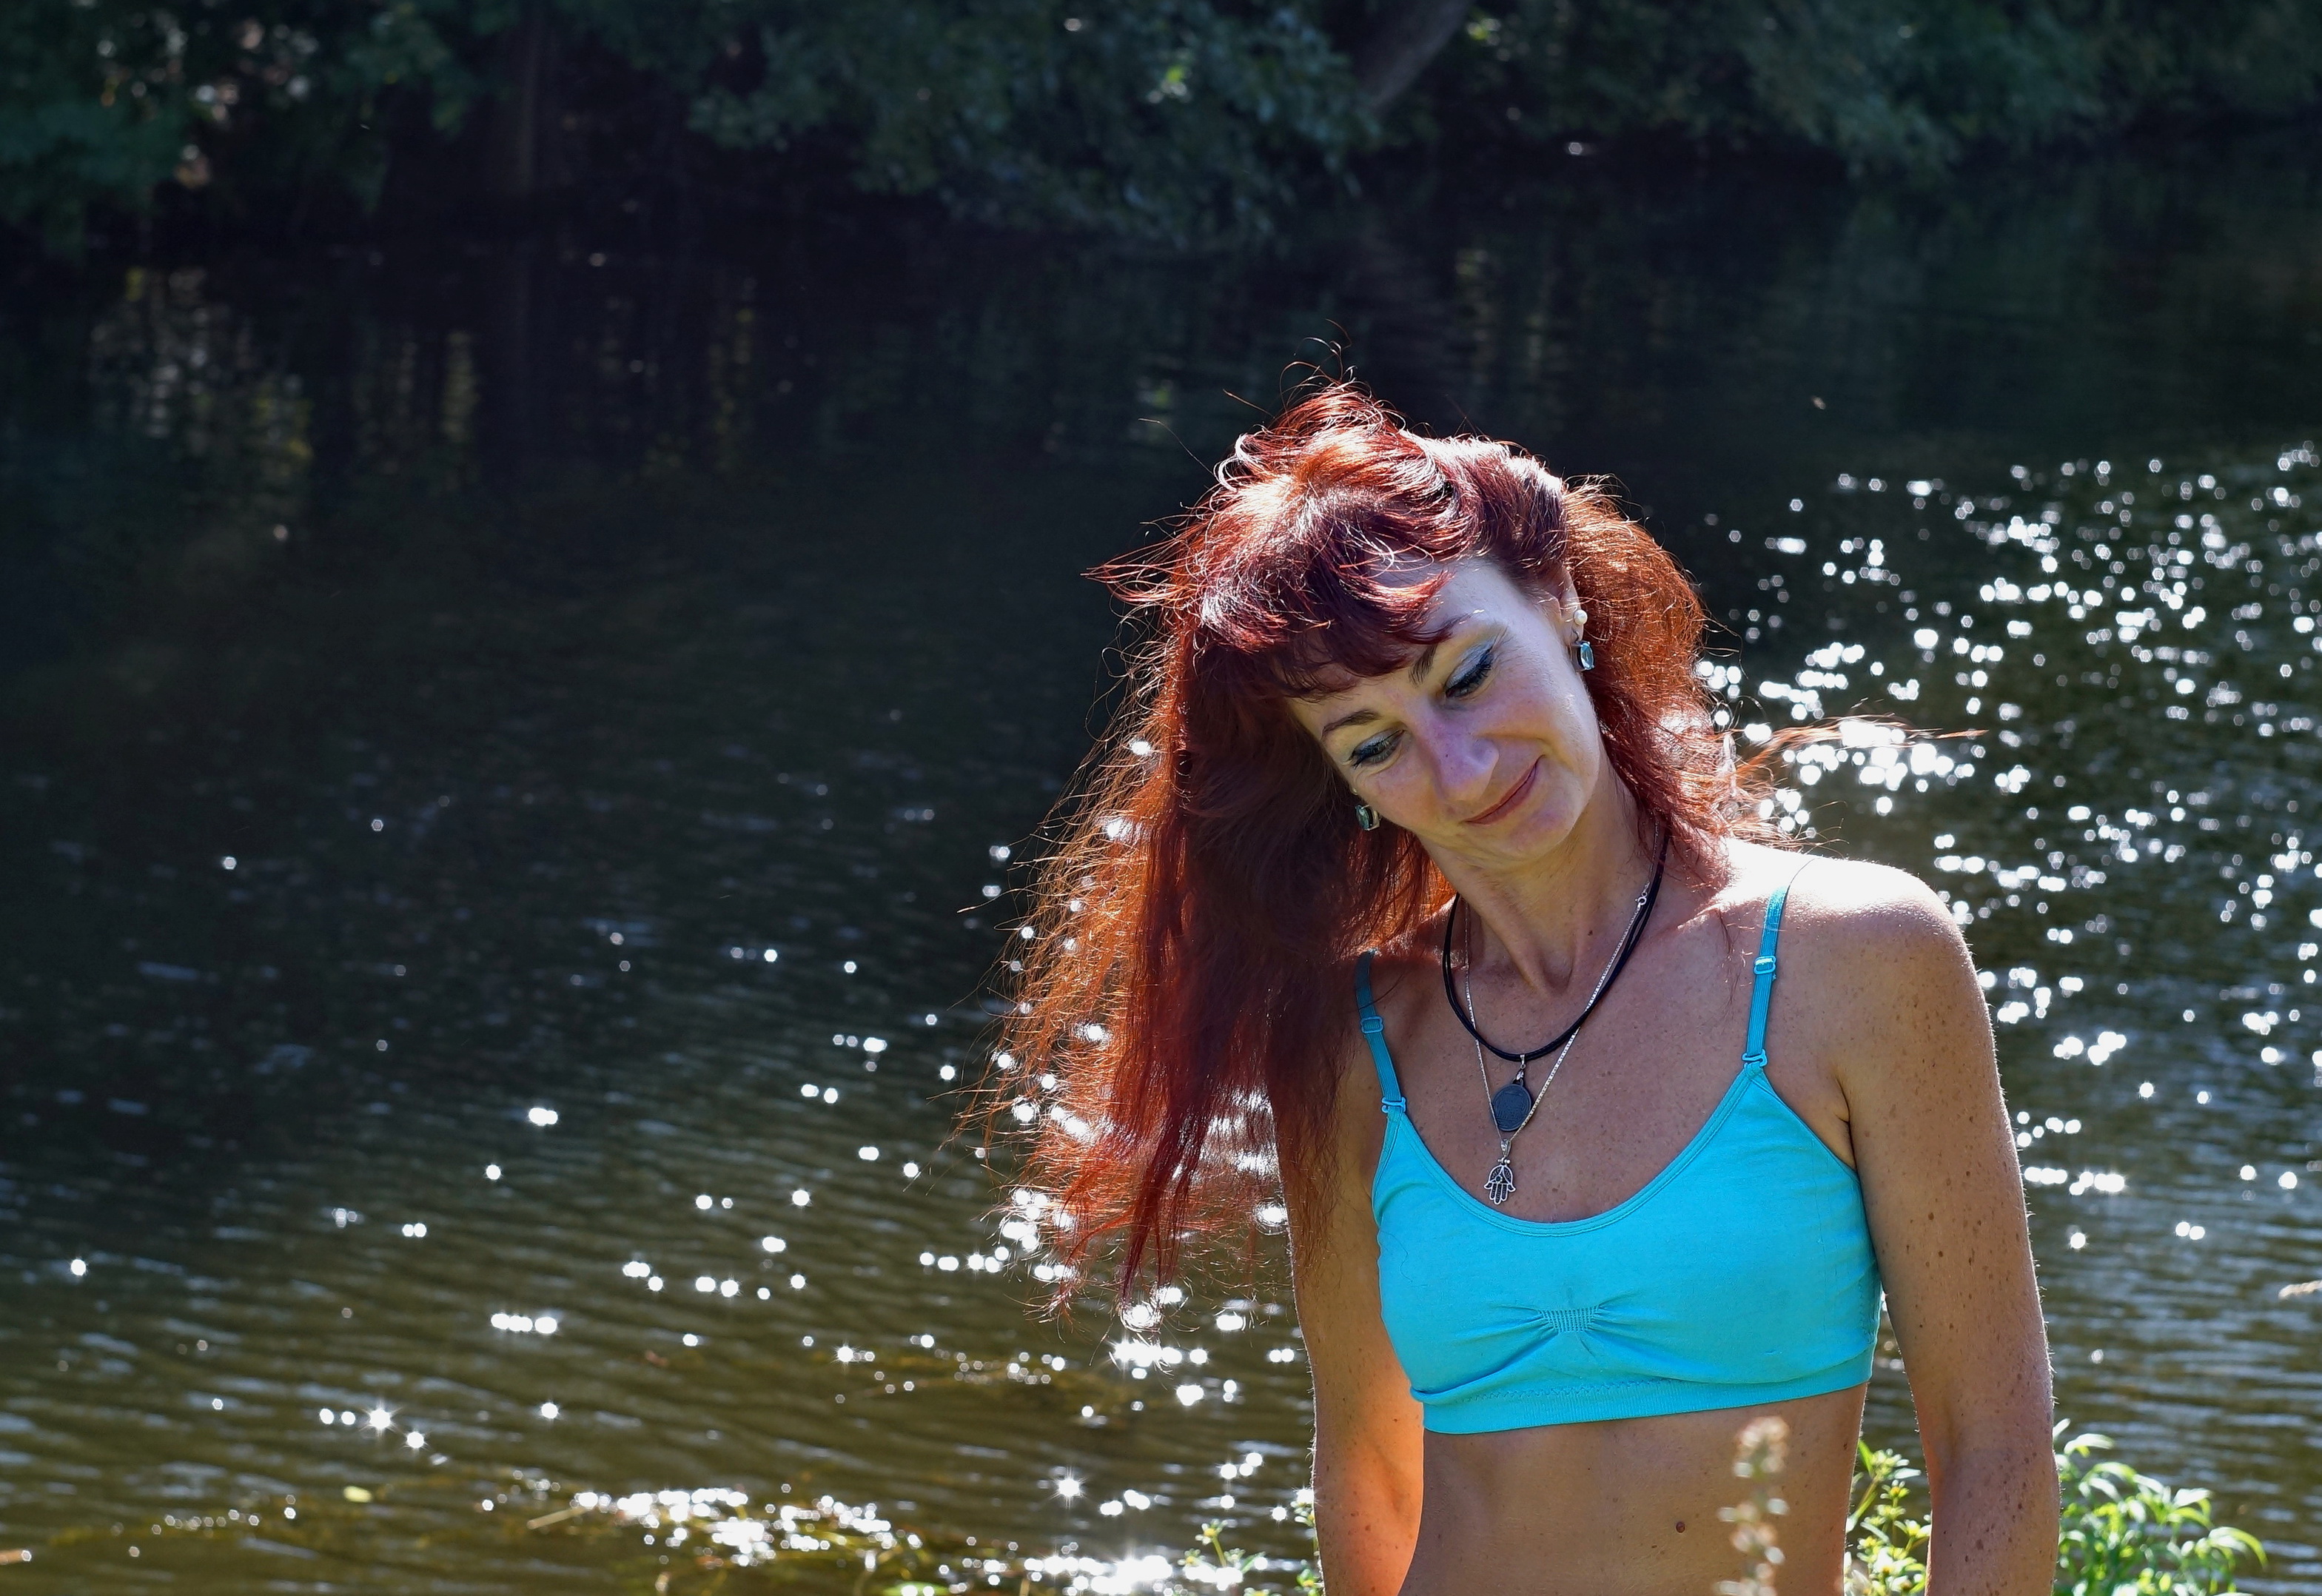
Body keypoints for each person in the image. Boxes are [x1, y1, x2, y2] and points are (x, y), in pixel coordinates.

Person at [993, 383, 2056, 1595]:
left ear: (1556, 600)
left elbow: (1993, 1444)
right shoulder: (1354, 1039)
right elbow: (1370, 1475)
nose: (1459, 768)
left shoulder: (1852, 956)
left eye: (1465, 674)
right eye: (1372, 742)